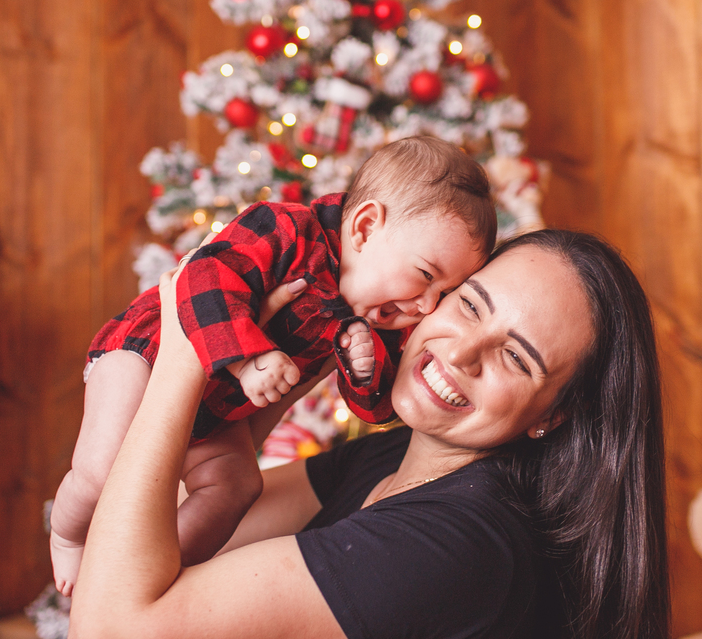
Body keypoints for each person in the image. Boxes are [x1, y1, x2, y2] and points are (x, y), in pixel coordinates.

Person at [68, 229, 671, 639]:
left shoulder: (455, 544)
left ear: (552, 415)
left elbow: (108, 625)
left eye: (516, 358)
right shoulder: (397, 458)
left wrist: (188, 349)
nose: (461, 352)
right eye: (469, 306)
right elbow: (146, 535)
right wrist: (278, 357)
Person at [50, 136, 497, 593]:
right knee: (104, 468)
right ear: (364, 228)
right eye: (426, 274)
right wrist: (249, 360)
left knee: (238, 485)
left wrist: (364, 371)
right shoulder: (286, 231)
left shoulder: (378, 320)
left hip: (216, 413)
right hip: (143, 354)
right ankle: (66, 537)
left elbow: (380, 404)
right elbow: (203, 278)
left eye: (444, 293)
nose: (427, 305)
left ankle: (156, 566)